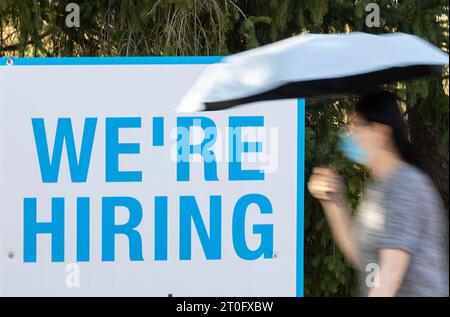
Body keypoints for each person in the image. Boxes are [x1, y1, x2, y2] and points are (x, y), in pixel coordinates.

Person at [307, 90, 449, 297]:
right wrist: (333, 200)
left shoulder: (405, 184)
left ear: (380, 132)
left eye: (356, 126)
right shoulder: (379, 186)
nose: (349, 134)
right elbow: (362, 256)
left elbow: (391, 273)